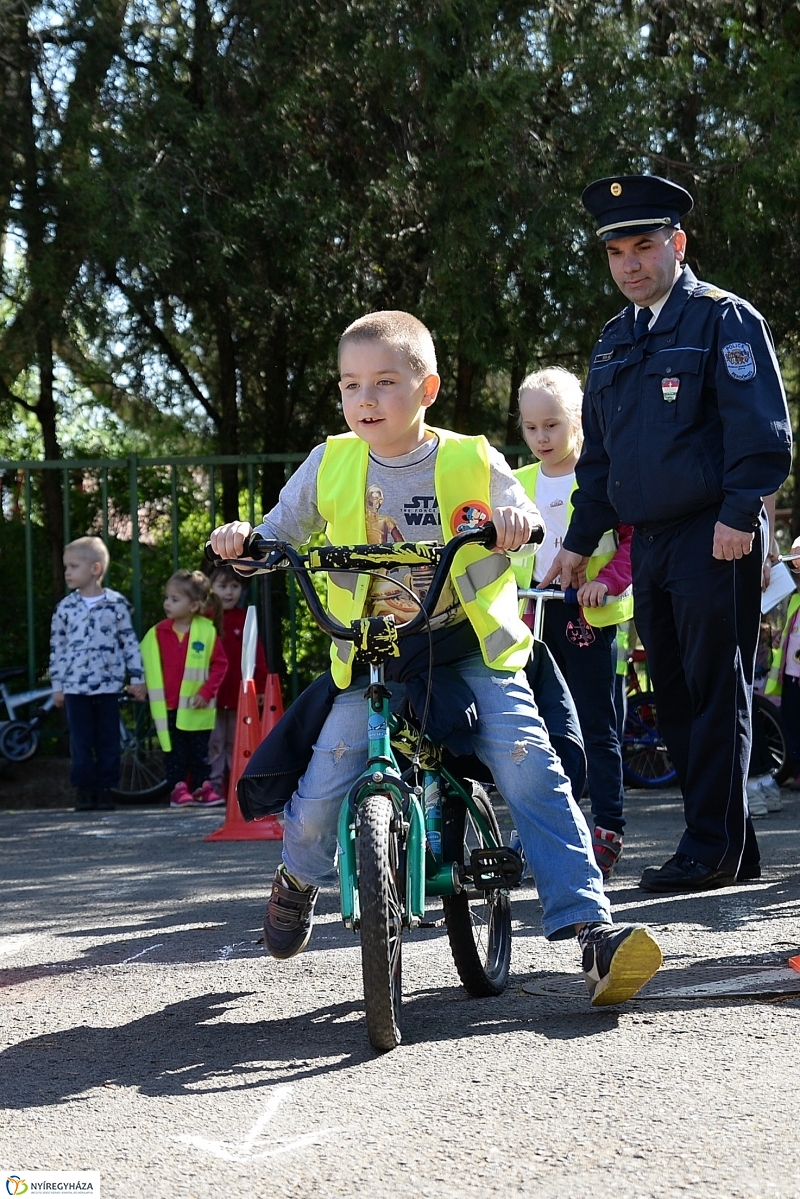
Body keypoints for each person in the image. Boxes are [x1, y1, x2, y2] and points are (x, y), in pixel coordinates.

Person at [210, 309, 663, 1008]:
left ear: (427, 389)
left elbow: (522, 517)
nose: (365, 398)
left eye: (385, 382)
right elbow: (275, 535)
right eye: (351, 384)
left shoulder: (469, 459)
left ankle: (592, 931)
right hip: (375, 653)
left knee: (530, 768)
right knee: (322, 787)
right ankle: (297, 878)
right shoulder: (330, 462)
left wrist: (515, 523)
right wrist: (244, 541)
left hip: (468, 647)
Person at [541, 174, 792, 892]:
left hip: (713, 535)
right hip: (648, 542)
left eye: (643, 247)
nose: (629, 264)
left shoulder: (722, 319)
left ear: (677, 243)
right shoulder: (614, 340)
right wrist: (578, 542)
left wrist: (739, 516)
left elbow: (762, 431)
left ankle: (709, 847)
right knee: (676, 695)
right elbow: (599, 462)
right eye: (616, 252)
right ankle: (731, 846)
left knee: (716, 690)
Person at [514, 367, 634, 878]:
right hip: (534, 618)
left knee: (595, 725)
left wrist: (604, 581)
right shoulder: (517, 483)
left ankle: (607, 827)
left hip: (588, 616)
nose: (541, 437)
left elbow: (632, 543)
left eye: (552, 425)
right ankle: (545, 828)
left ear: (578, 422)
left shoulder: (601, 478)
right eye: (530, 427)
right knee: (537, 728)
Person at [49, 536, 147, 812]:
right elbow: (57, 647)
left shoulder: (116, 604)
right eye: (66, 567)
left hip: (108, 687)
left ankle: (105, 790)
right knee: (80, 743)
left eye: (73, 566)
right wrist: (58, 685)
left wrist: (137, 678)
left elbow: (129, 642)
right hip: (75, 688)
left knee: (108, 742)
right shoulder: (65, 608)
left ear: (95, 569)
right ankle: (83, 791)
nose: (67, 572)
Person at [140, 570, 228, 808]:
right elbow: (143, 662)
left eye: (174, 599)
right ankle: (178, 789)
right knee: (174, 752)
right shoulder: (157, 633)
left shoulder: (207, 631)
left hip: (197, 707)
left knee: (200, 753)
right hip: (168, 706)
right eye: (167, 598)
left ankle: (201, 788)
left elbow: (220, 665)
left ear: (194, 605)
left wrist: (206, 692)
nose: (167, 603)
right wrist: (141, 684)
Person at [206, 565, 267, 799]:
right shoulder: (204, 620)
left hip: (238, 693)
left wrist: (260, 686)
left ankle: (236, 788)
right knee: (214, 741)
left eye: (235, 586)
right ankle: (213, 785)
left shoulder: (244, 619)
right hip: (212, 694)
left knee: (236, 741)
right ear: (211, 588)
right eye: (222, 586)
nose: (229, 592)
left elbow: (256, 654)